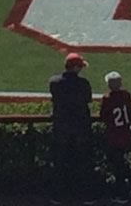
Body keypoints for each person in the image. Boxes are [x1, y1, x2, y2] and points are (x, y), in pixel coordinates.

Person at [50, 52, 94, 203]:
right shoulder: (83, 84)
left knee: (61, 162)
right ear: (76, 67)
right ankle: (85, 195)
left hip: (62, 127)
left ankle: (59, 196)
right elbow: (87, 99)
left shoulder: (54, 82)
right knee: (83, 163)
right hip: (80, 128)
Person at [100, 72, 131, 193]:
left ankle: (121, 189)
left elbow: (103, 115)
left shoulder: (107, 98)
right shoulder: (126, 95)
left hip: (114, 135)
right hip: (125, 134)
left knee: (117, 163)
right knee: (123, 161)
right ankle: (130, 181)